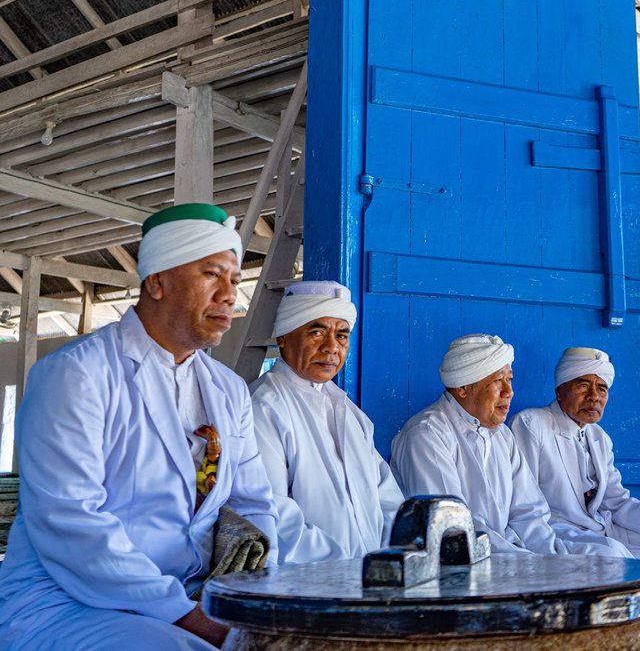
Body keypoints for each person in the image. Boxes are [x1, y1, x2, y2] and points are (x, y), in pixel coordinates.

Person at [0, 203, 278, 651]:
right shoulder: (78, 374)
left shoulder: (227, 390)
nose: (229, 295)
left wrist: (244, 594)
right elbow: (71, 521)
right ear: (156, 282)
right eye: (211, 275)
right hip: (67, 602)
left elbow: (253, 504)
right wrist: (188, 616)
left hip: (189, 598)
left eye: (234, 280)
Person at [390, 334, 627, 556]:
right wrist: (524, 561)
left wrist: (553, 559)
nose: (509, 392)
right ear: (462, 388)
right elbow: (453, 529)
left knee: (608, 556)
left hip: (513, 556)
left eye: (510, 380)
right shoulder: (427, 435)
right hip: (460, 567)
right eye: (498, 381)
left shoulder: (502, 435)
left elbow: (529, 514)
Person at [250, 280, 404, 564]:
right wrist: (347, 569)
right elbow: (270, 515)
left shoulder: (351, 414)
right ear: (282, 337)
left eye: (342, 335)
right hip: (307, 588)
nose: (332, 347)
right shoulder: (265, 406)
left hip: (367, 586)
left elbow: (389, 501)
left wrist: (388, 563)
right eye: (317, 331)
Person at [510, 346, 640, 566]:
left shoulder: (599, 437)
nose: (594, 396)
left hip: (605, 530)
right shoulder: (531, 424)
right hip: (559, 533)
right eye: (583, 385)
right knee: (613, 555)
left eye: (602, 388)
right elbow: (524, 504)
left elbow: (617, 504)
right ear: (560, 390)